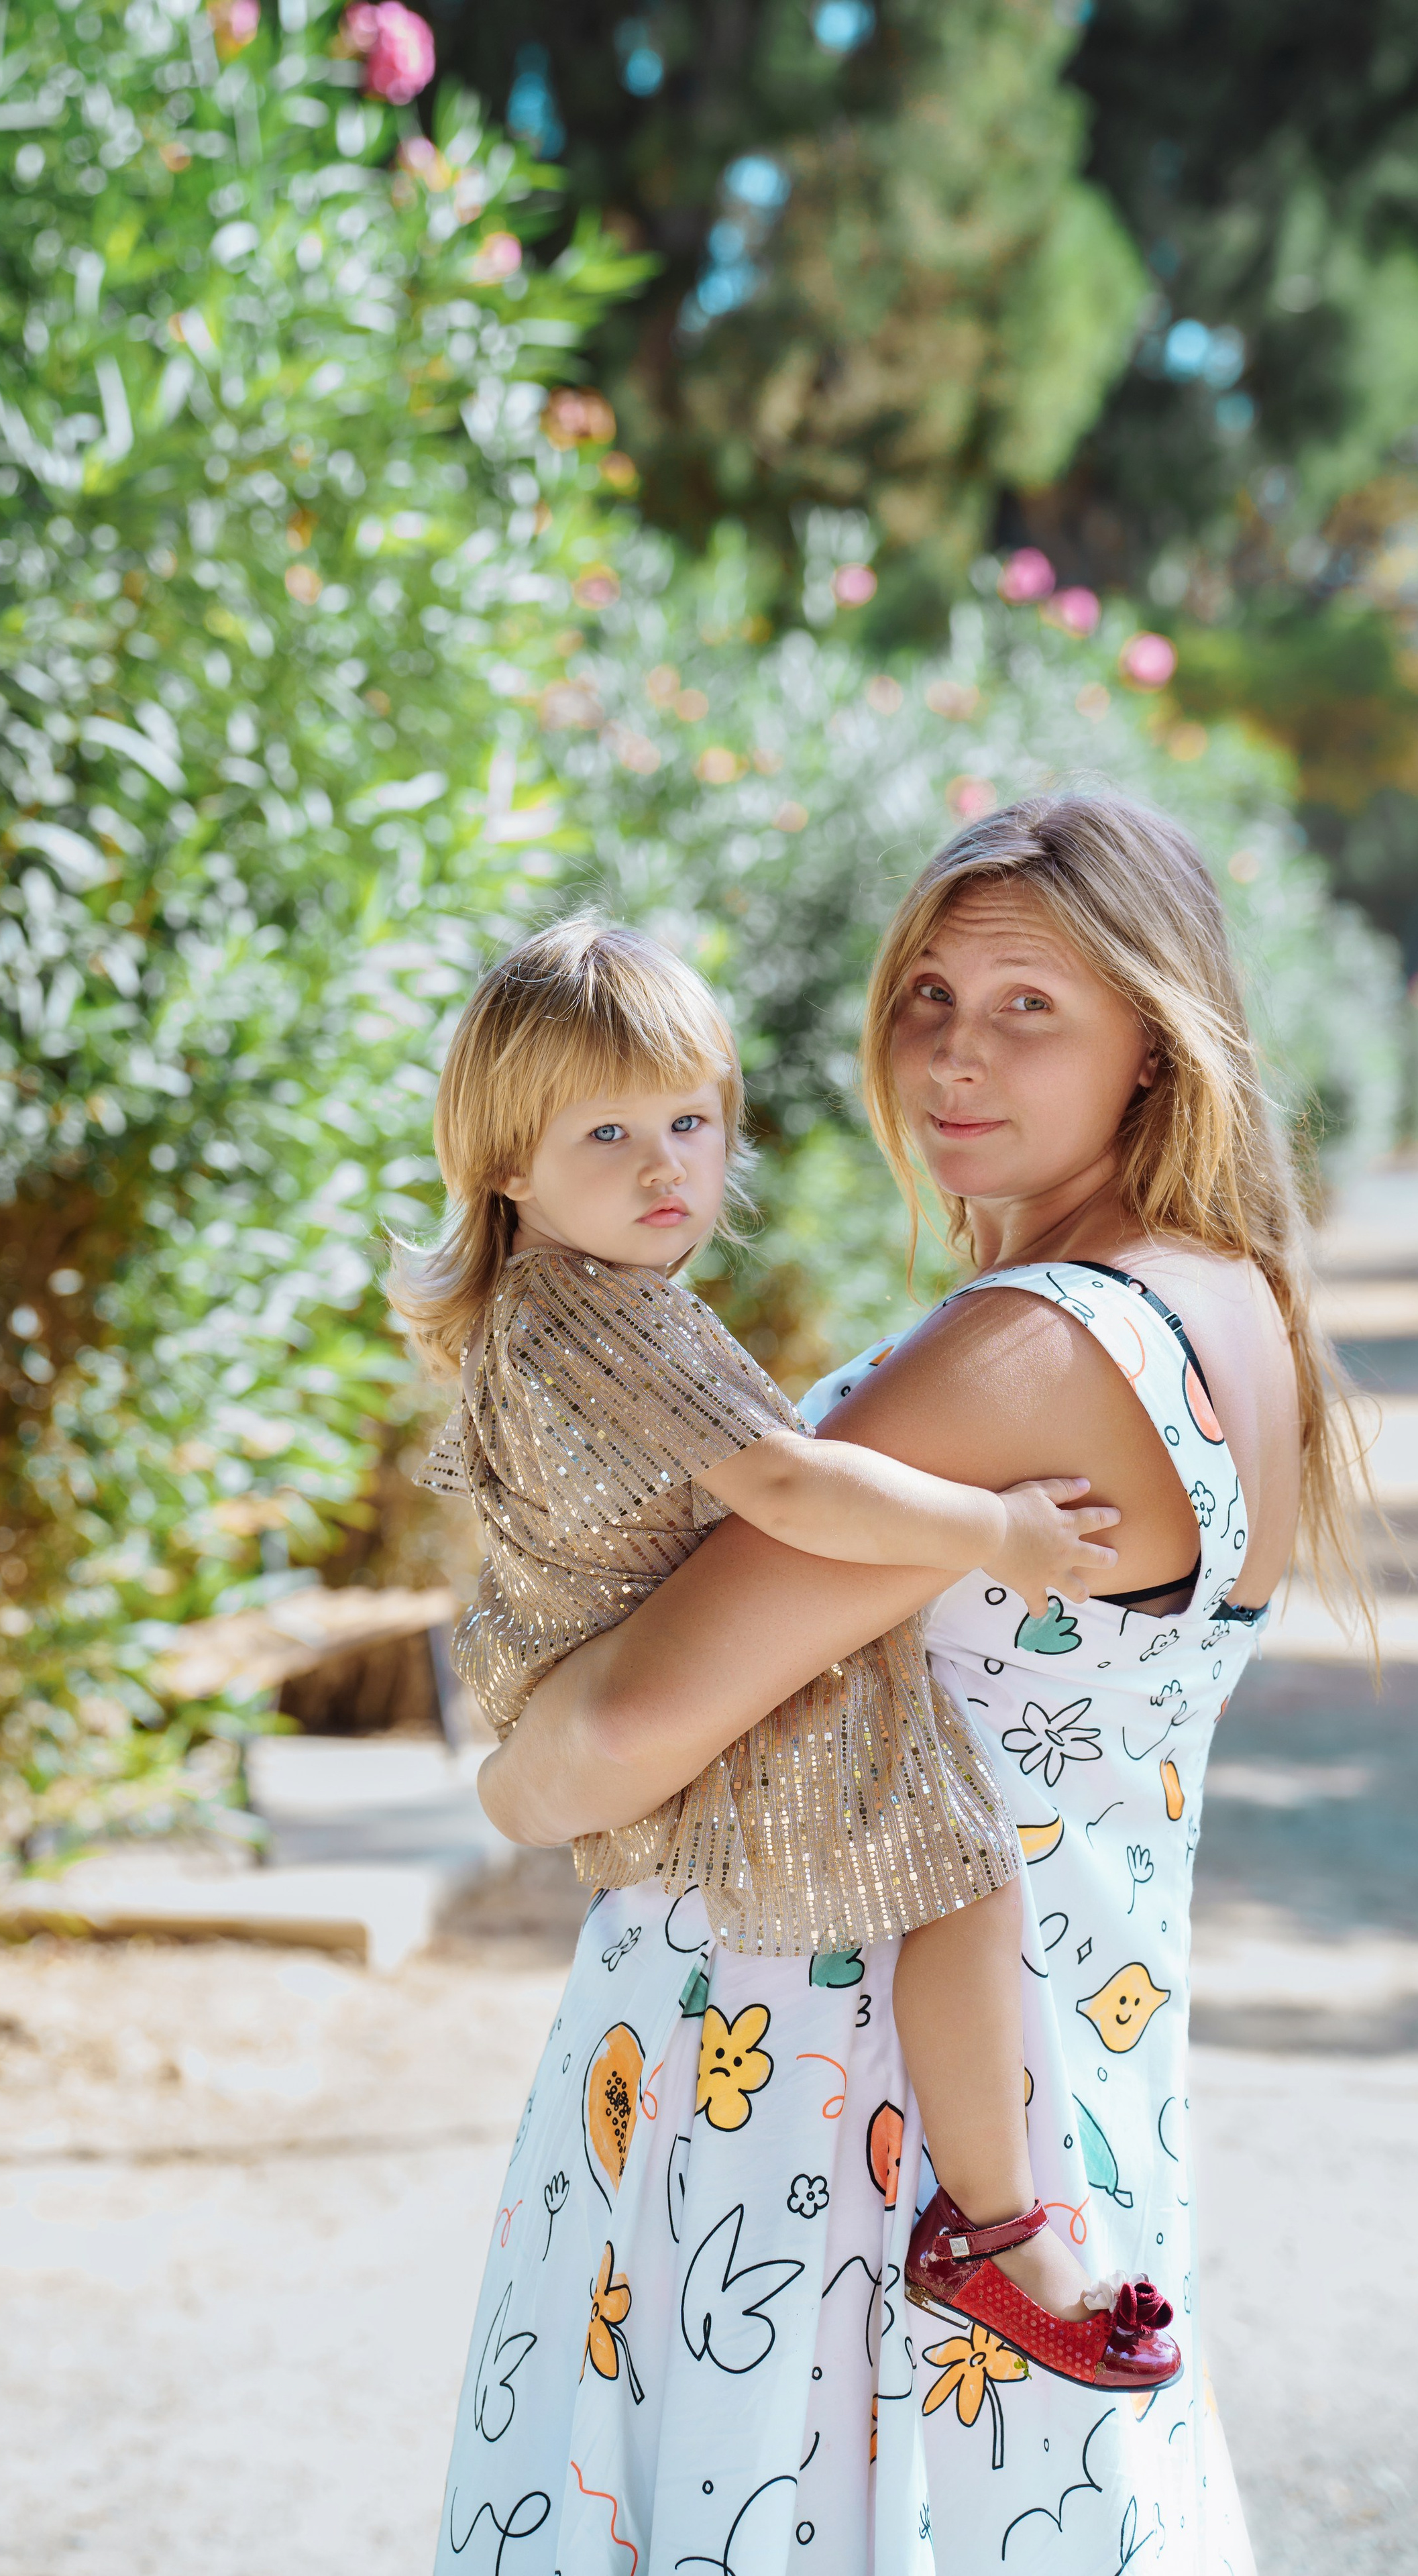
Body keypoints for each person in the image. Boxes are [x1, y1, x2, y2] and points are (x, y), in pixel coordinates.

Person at [447, 793, 1364, 2574]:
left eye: (1031, 1007)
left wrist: (503, 1793)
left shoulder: (1029, 1347)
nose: (953, 1053)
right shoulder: (1234, 1303)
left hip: (809, 2120)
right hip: (1047, 2079)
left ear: (1155, 1044)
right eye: (927, 994)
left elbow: (617, 1737)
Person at [393, 915, 1142, 2385]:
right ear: (502, 1163)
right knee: (968, 1883)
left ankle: (990, 2226)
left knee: (951, 1895)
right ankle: (997, 2237)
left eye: (690, 1119)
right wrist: (995, 1531)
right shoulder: (603, 1318)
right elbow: (792, 1488)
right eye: (605, 1132)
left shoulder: (561, 1304)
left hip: (630, 1683)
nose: (665, 1164)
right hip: (702, 1714)